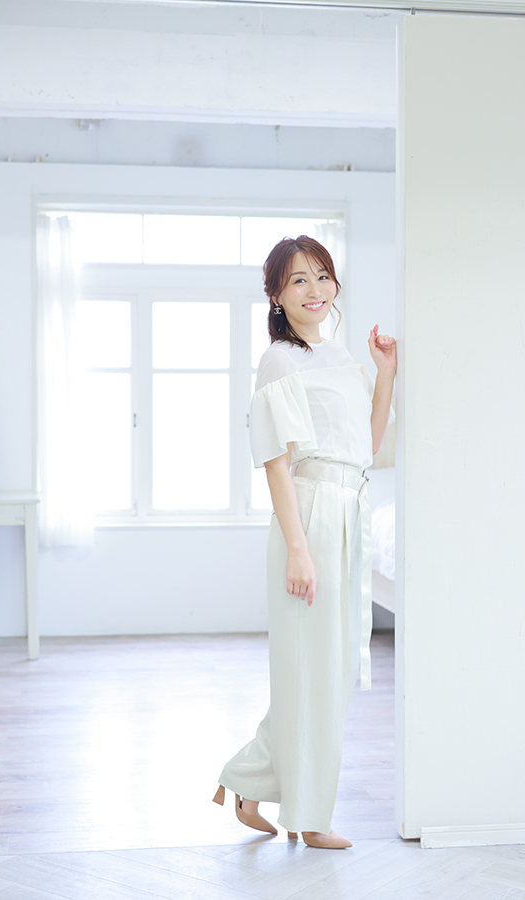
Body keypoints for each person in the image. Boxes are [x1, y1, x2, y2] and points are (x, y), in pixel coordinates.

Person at [213, 235, 396, 849]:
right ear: (276, 295)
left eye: (322, 276)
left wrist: (386, 374)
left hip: (349, 507)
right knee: (312, 671)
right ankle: (310, 817)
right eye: (298, 280)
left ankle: (249, 780)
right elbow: (276, 462)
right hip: (310, 512)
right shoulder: (279, 362)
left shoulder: (340, 358)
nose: (315, 290)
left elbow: (368, 444)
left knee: (332, 669)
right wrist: (297, 547)